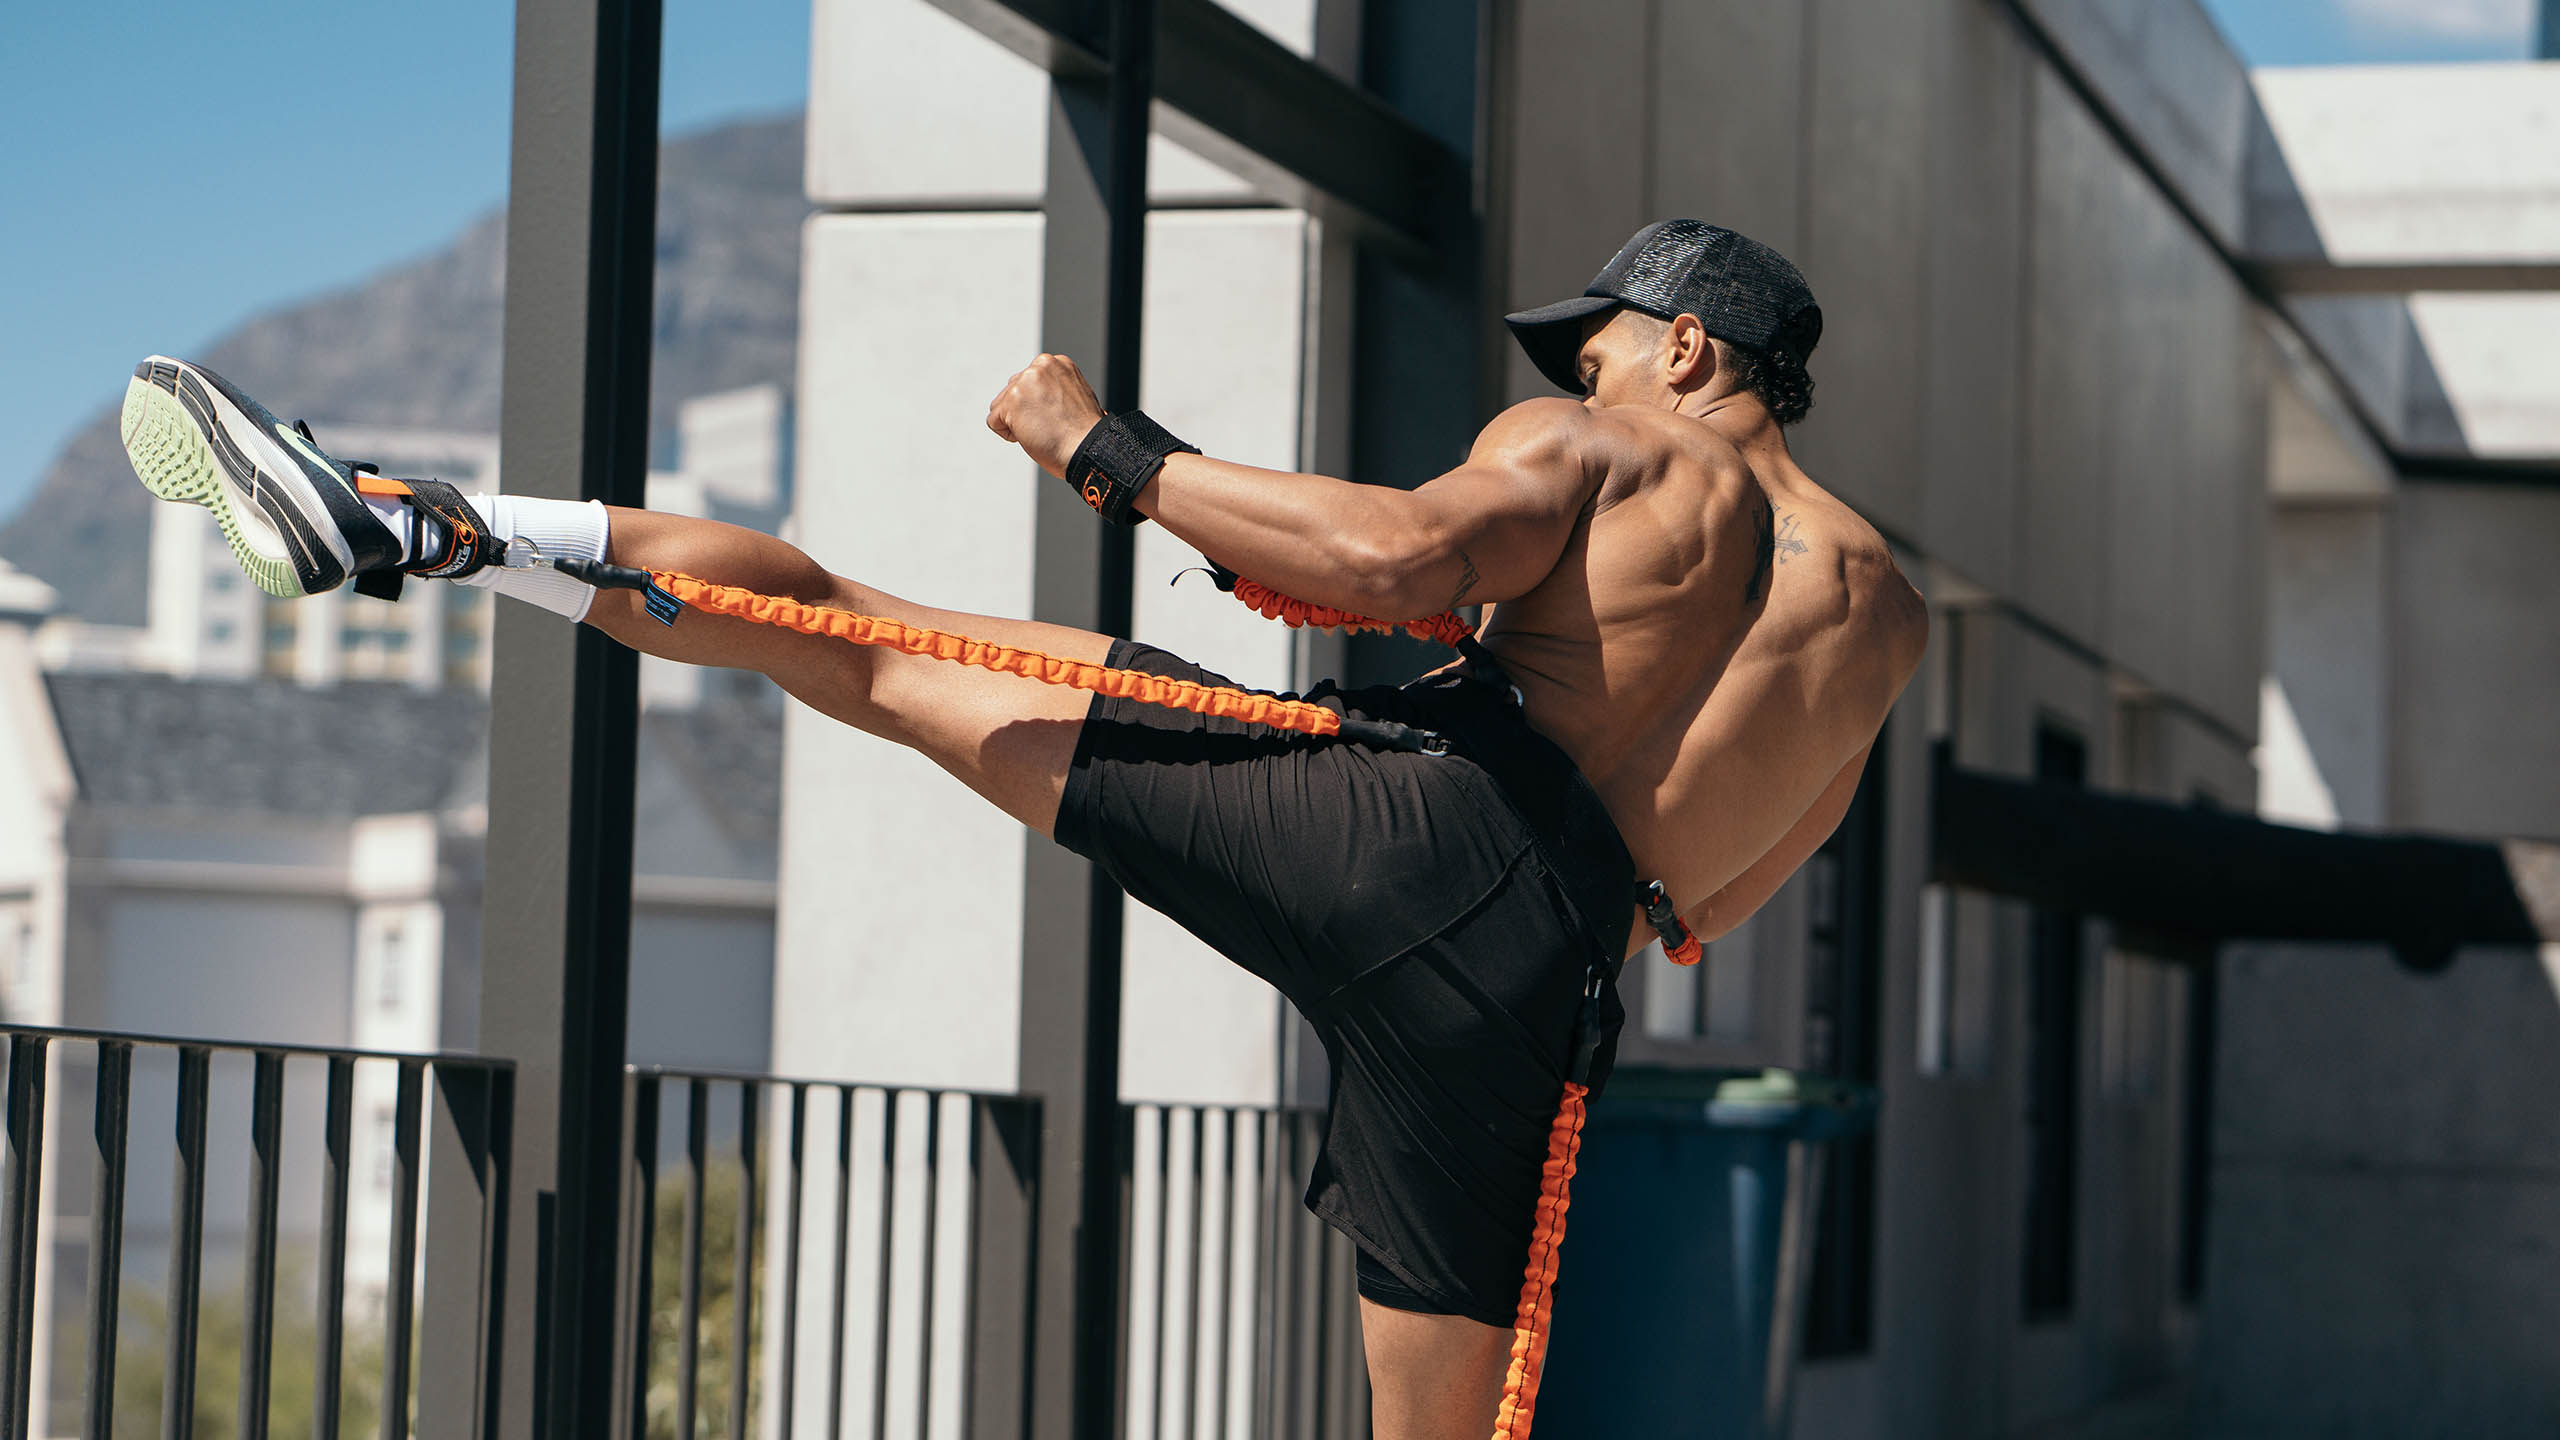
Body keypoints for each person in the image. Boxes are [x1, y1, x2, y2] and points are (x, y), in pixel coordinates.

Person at [121, 218, 1925, 1440]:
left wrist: (1105, 451)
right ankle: (401, 524)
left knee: (870, 647)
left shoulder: (1614, 452)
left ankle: (412, 526)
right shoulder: (1887, 613)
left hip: (1412, 830)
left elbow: (1397, 563)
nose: (1586, 371)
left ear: (1688, 347)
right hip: (1552, 988)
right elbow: (1730, 891)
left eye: (1603, 348)